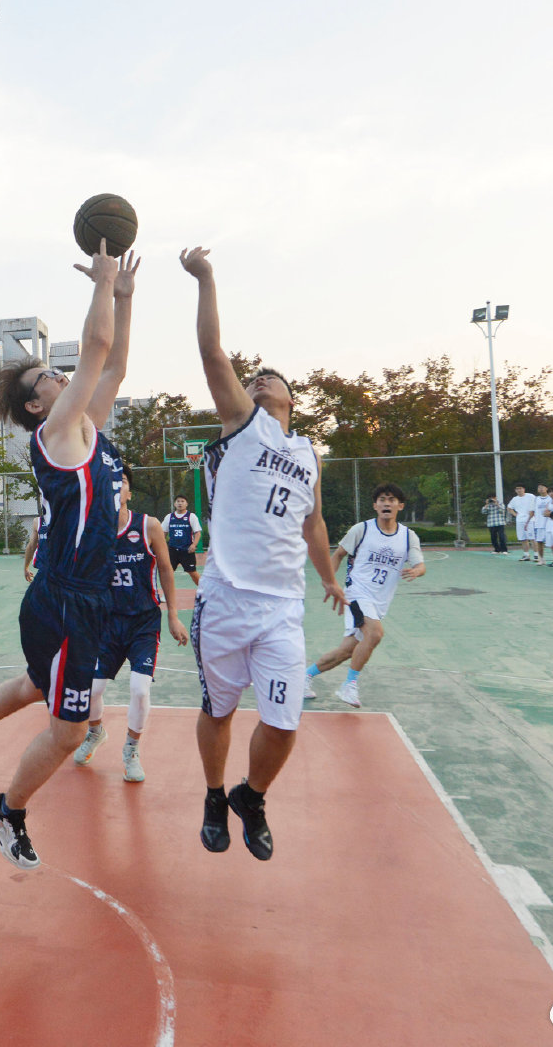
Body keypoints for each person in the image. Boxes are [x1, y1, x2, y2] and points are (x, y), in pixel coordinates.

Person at [0, 243, 137, 871]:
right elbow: (95, 351)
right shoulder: (53, 434)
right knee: (69, 727)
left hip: (84, 597)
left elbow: (114, 367)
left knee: (35, 684)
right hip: (64, 598)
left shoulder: (83, 429)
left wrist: (123, 300)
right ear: (34, 406)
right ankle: (8, 810)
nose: (57, 377)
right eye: (46, 377)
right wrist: (101, 285)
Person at [172, 246, 345, 865]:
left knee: (285, 721)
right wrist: (207, 278)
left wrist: (331, 578)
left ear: (294, 398)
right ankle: (215, 795)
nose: (261, 378)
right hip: (224, 597)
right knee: (218, 710)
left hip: (281, 607)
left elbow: (316, 522)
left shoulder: (306, 454)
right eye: (255, 378)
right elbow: (213, 353)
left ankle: (253, 795)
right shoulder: (245, 427)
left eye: (272, 376)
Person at [72, 464, 190, 782]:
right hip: (107, 624)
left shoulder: (148, 525)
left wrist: (173, 616)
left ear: (128, 492)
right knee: (91, 690)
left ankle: (131, 750)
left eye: (120, 482)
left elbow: (165, 569)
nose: (114, 487)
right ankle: (95, 733)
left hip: (142, 622)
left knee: (139, 690)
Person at [302, 484, 425, 707]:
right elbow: (339, 554)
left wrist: (417, 570)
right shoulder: (362, 529)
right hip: (357, 594)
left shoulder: (408, 536)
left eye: (391, 499)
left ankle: (303, 677)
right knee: (375, 633)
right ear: (375, 505)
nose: (386, 503)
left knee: (347, 651)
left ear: (400, 505)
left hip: (380, 602)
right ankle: (349, 686)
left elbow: (420, 564)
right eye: (381, 499)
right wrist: (329, 581)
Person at [163, 495, 204, 583]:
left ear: (186, 504)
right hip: (172, 550)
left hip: (187, 550)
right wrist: (162, 546)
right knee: (167, 572)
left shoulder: (191, 516)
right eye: (178, 501)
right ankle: (166, 594)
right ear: (174, 504)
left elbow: (197, 533)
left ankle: (204, 591)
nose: (180, 503)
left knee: (192, 572)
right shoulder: (169, 517)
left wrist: (194, 545)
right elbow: (163, 533)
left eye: (182, 501)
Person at [506, 484, 537, 561]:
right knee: (523, 538)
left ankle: (537, 555)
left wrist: (533, 514)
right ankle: (526, 555)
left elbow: (536, 505)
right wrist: (516, 515)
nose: (519, 490)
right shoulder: (514, 499)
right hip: (520, 521)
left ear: (524, 489)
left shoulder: (530, 496)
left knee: (532, 538)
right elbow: (509, 508)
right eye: (517, 489)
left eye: (520, 488)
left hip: (530, 520)